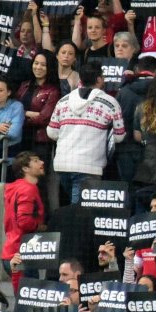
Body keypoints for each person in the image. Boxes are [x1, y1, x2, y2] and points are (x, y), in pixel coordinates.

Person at [48, 62, 125, 205]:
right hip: (89, 166)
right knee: (80, 212)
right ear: (99, 79)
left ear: (81, 80)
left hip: (62, 164)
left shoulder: (63, 101)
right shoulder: (110, 103)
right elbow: (119, 136)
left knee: (74, 206)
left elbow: (52, 132)